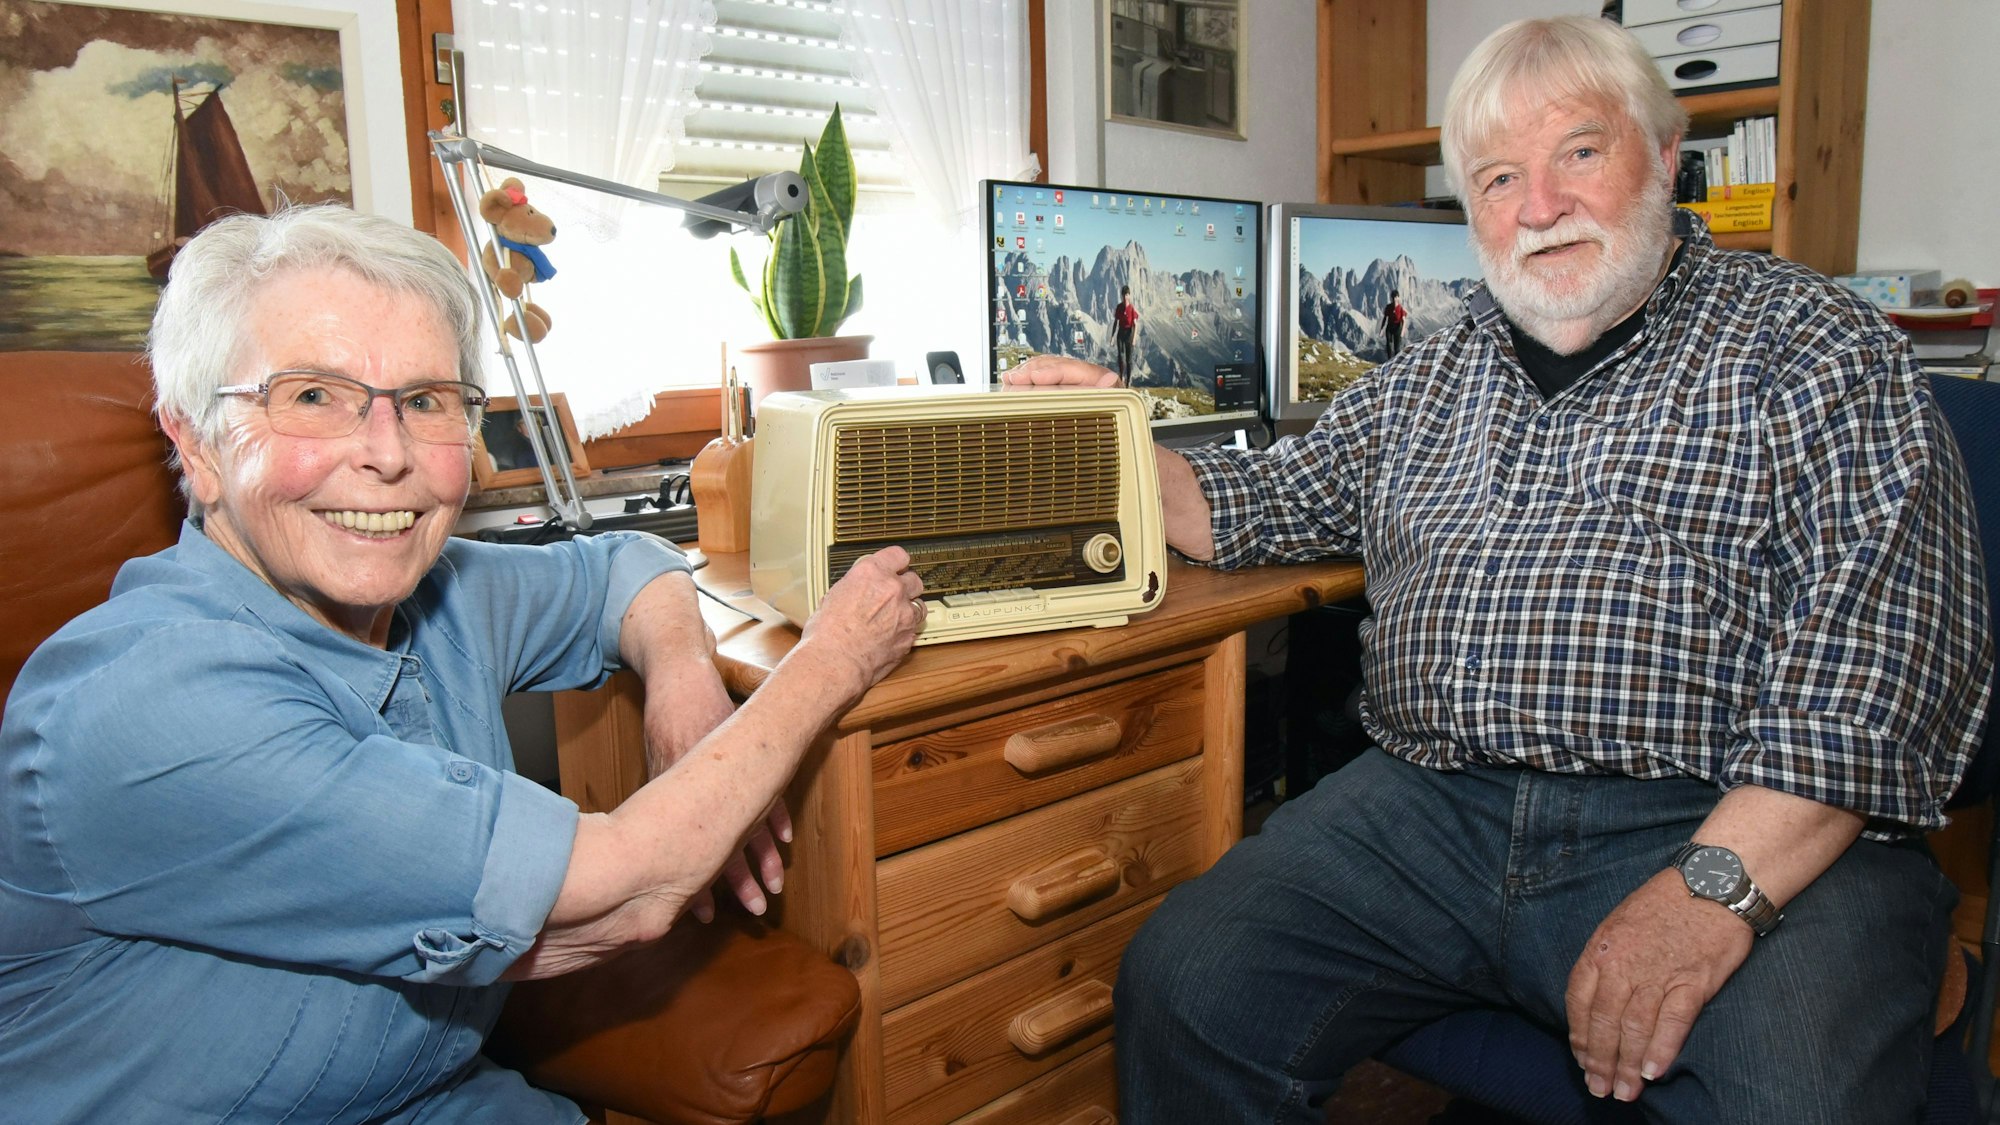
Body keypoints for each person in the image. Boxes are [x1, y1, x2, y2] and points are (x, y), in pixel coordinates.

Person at [1005, 16, 1990, 1123]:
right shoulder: (1428, 370)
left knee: (1797, 1099)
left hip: (1724, 809)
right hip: (1429, 807)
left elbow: (1877, 676)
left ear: (1663, 157)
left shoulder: (1817, 346)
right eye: (1496, 177)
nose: (1537, 206)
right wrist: (1111, 438)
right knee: (1184, 986)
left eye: (1578, 151)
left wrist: (1706, 892)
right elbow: (1263, 499)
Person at [0, 204, 927, 1123]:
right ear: (196, 442)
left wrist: (682, 685)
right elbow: (632, 886)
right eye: (313, 395)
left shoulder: (434, 592)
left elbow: (628, 567)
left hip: (425, 1094)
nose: (387, 455)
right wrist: (833, 657)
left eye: (425, 400)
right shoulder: (143, 704)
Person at [1114, 283, 1140, 383]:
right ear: (1122, 296)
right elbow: (1115, 322)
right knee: (1121, 357)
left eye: (1127, 295)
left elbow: (1135, 325)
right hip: (1120, 333)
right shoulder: (1119, 307)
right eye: (1124, 295)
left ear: (1129, 295)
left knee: (1128, 360)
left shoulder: (1132, 308)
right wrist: (1112, 337)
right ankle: (1122, 376)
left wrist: (1134, 339)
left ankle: (1128, 380)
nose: (1125, 297)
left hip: (1129, 333)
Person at [1381, 287, 1407, 358]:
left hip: (1398, 327)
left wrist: (1402, 332)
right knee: (1389, 345)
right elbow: (1385, 318)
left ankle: (1396, 361)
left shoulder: (1401, 308)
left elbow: (1404, 321)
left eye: (1395, 297)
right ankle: (1389, 360)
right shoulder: (1388, 307)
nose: (1394, 299)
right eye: (1393, 297)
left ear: (1398, 298)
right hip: (1390, 326)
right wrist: (1382, 329)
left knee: (1397, 348)